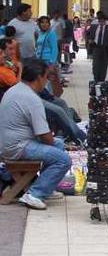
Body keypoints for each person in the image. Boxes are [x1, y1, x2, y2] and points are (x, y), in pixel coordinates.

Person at [0, 59, 71, 210]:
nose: (46, 81)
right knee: (63, 159)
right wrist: (52, 145)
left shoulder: (16, 89)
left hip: (9, 144)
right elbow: (44, 135)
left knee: (58, 144)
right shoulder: (32, 99)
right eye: (46, 77)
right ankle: (35, 194)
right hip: (18, 147)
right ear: (39, 77)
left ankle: (46, 186)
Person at [88, 11, 108, 82]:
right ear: (98, 21)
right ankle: (96, 80)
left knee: (104, 66)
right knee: (95, 66)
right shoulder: (94, 27)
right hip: (96, 48)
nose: (102, 23)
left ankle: (102, 81)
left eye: (103, 21)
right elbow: (88, 34)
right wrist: (90, 41)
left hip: (105, 49)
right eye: (100, 21)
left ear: (105, 21)